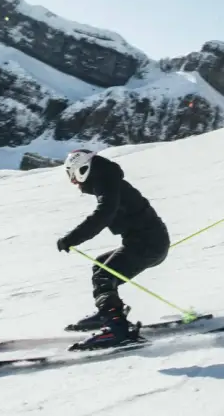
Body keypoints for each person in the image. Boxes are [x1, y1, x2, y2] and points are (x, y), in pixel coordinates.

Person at [57, 149, 170, 349]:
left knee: (104, 277)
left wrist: (72, 238)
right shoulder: (106, 179)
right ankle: (107, 314)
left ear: (83, 169)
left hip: (148, 243)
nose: (73, 181)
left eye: (72, 174)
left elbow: (104, 215)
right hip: (146, 241)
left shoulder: (107, 183)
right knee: (101, 266)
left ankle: (118, 330)